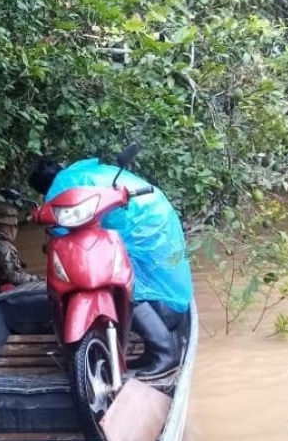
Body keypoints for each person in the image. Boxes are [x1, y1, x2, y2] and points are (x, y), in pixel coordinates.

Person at [27, 155, 193, 380]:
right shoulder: (79, 172)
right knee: (146, 279)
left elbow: (66, 237)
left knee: (126, 283)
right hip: (154, 211)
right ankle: (154, 349)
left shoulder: (60, 188)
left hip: (138, 221)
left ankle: (165, 353)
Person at [0, 198, 43, 300]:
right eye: (15, 227)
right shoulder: (3, 249)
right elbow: (16, 278)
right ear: (10, 227)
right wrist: (40, 280)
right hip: (2, 302)